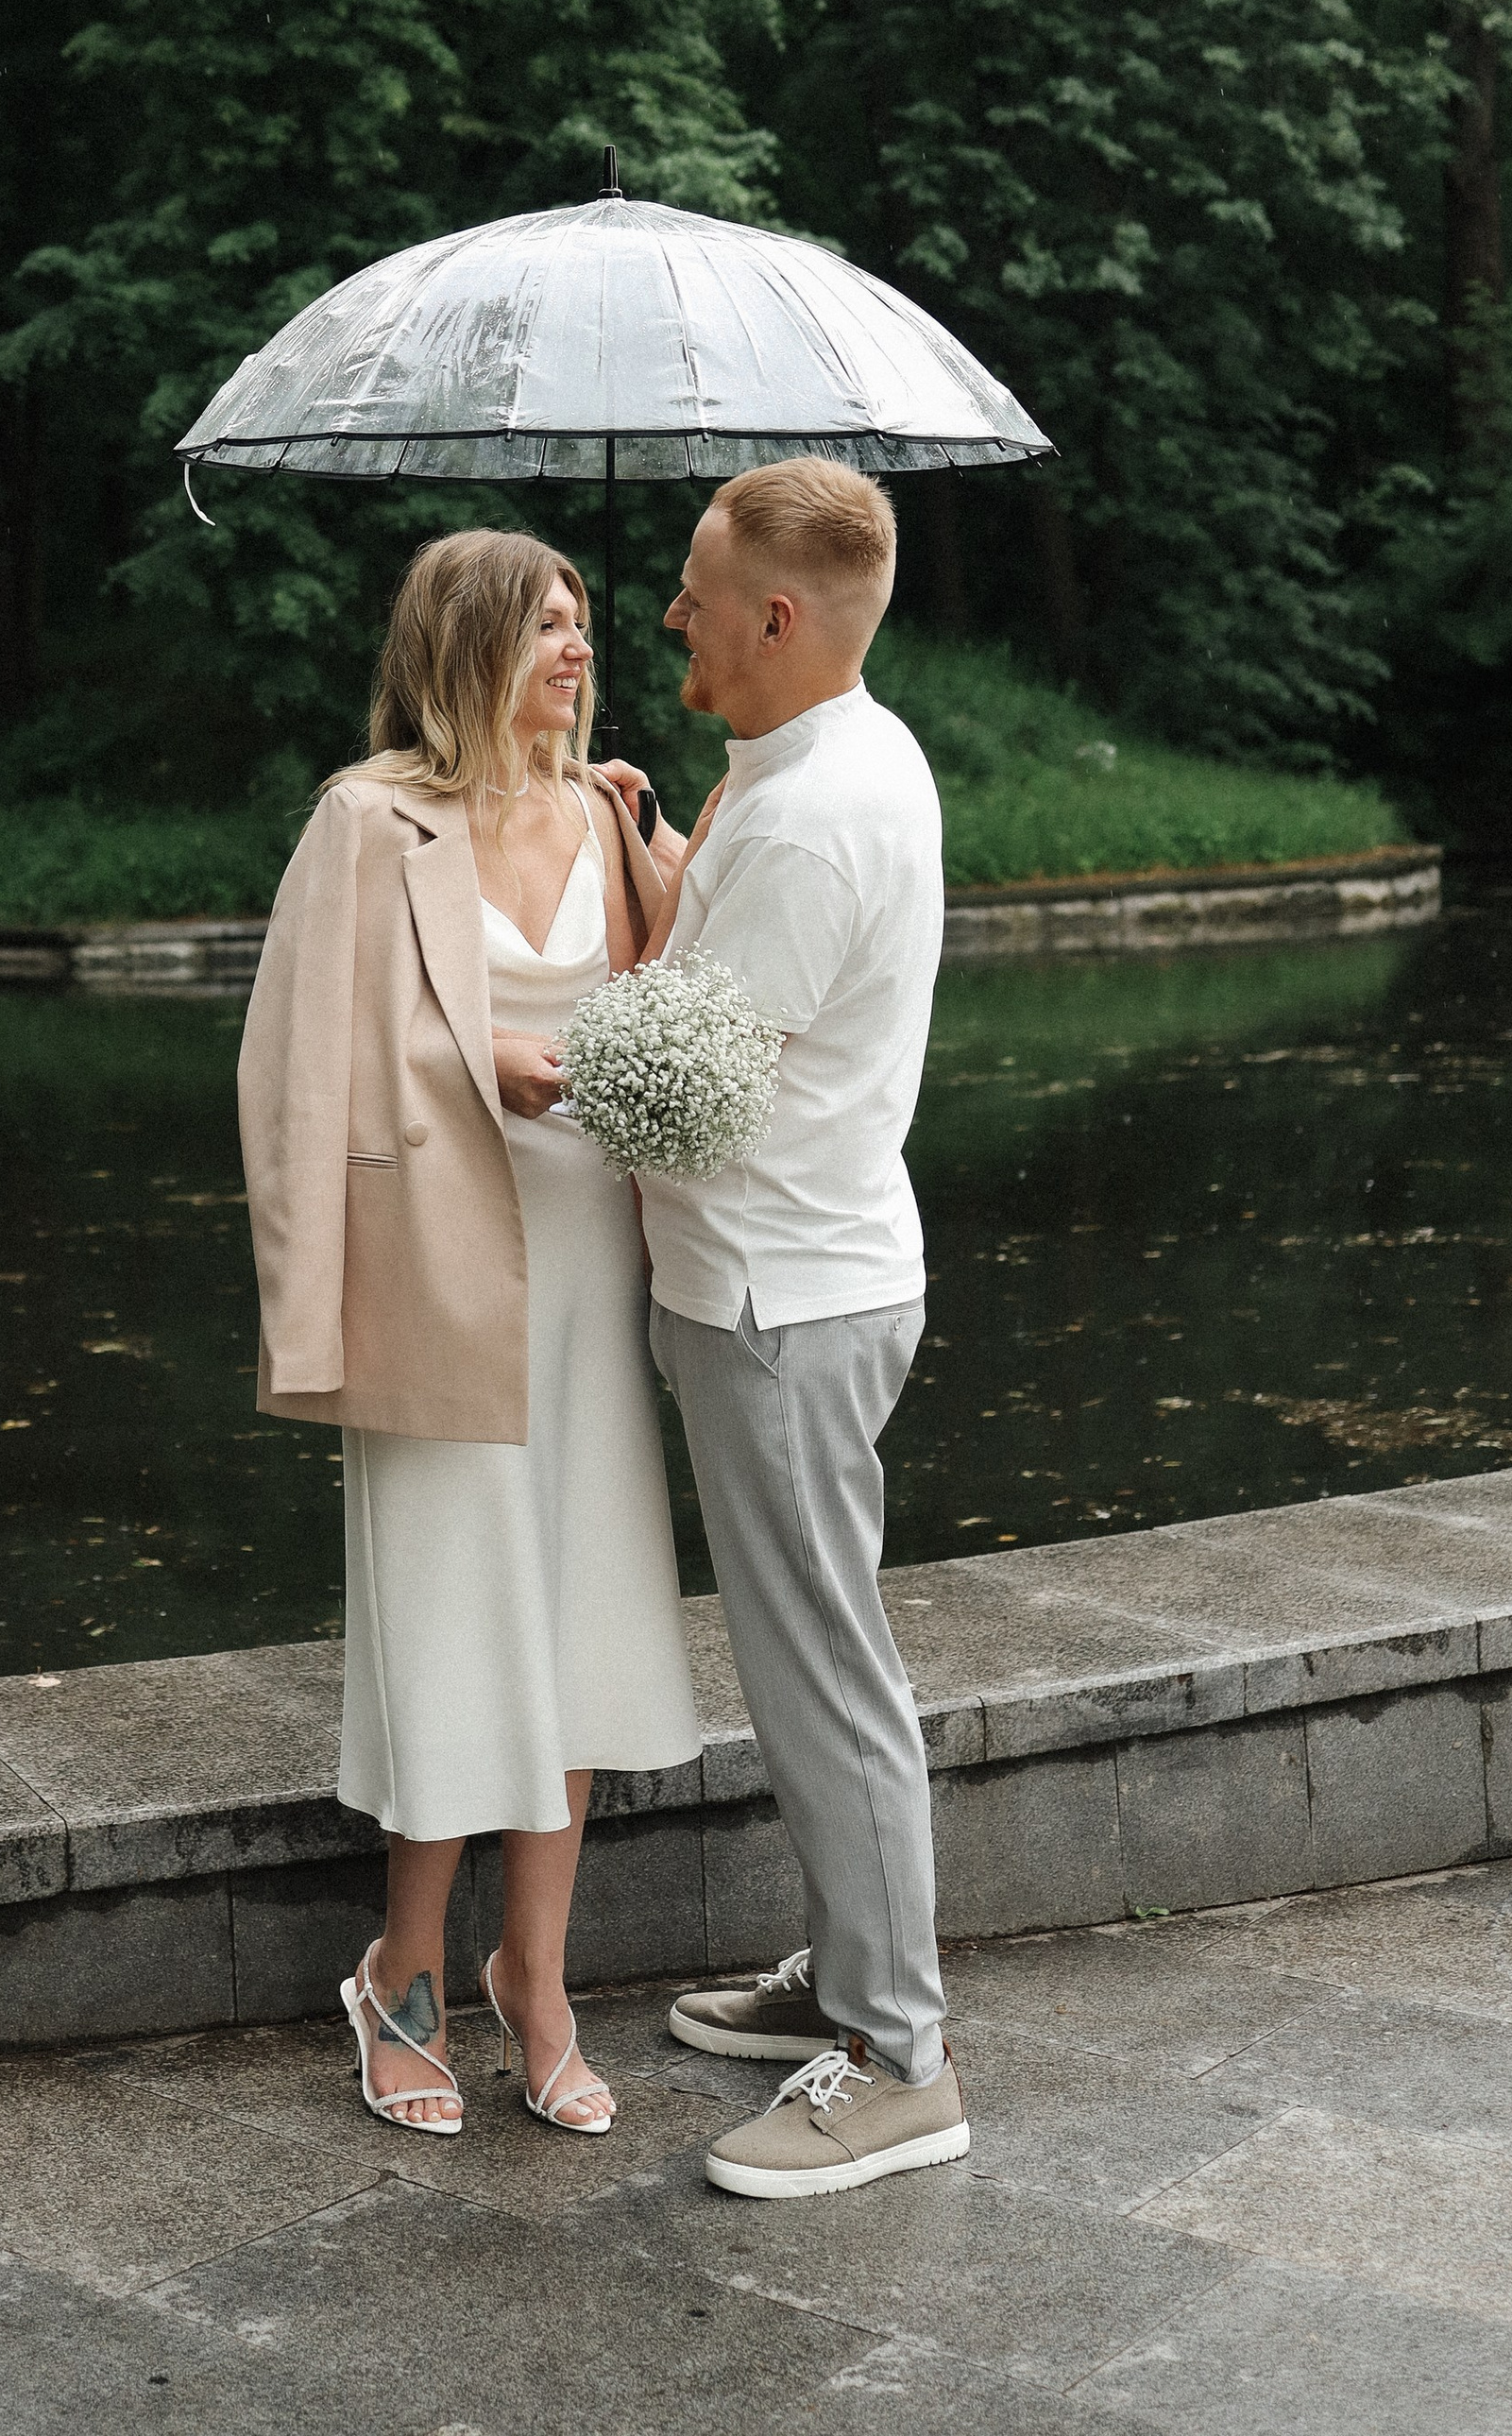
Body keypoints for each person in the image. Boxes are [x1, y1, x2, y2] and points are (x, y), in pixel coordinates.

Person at [237, 529, 702, 2142]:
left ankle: (540, 1978)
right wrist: (477, 1059)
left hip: (592, 1266)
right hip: (435, 1276)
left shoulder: (606, 808)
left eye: (584, 622)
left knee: (580, 1611)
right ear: (464, 645)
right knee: (452, 1626)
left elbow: (682, 1019)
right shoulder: (369, 822)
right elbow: (299, 1067)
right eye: (545, 624)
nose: (579, 647)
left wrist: (674, 857)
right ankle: (403, 1973)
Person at [637, 459, 971, 2202]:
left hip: (782, 1298)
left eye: (695, 589)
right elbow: (758, 976)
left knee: (826, 1678)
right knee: (806, 1663)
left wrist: (508, 1067)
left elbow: (683, 1091)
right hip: (800, 1278)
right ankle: (846, 1976)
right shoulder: (817, 764)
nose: (669, 612)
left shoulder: (822, 805)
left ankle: (900, 2057)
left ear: (779, 616)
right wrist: (674, 863)